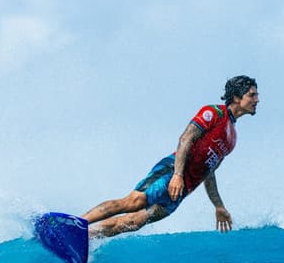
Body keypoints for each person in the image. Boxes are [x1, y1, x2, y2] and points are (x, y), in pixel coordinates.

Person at [81, 75, 258, 238]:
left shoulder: (231, 138)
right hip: (172, 172)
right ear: (236, 97)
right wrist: (177, 175)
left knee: (133, 223)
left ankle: (86, 236)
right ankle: (77, 224)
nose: (256, 100)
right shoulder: (214, 113)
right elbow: (186, 138)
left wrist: (218, 206)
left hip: (182, 191)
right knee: (134, 202)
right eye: (252, 95)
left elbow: (209, 172)